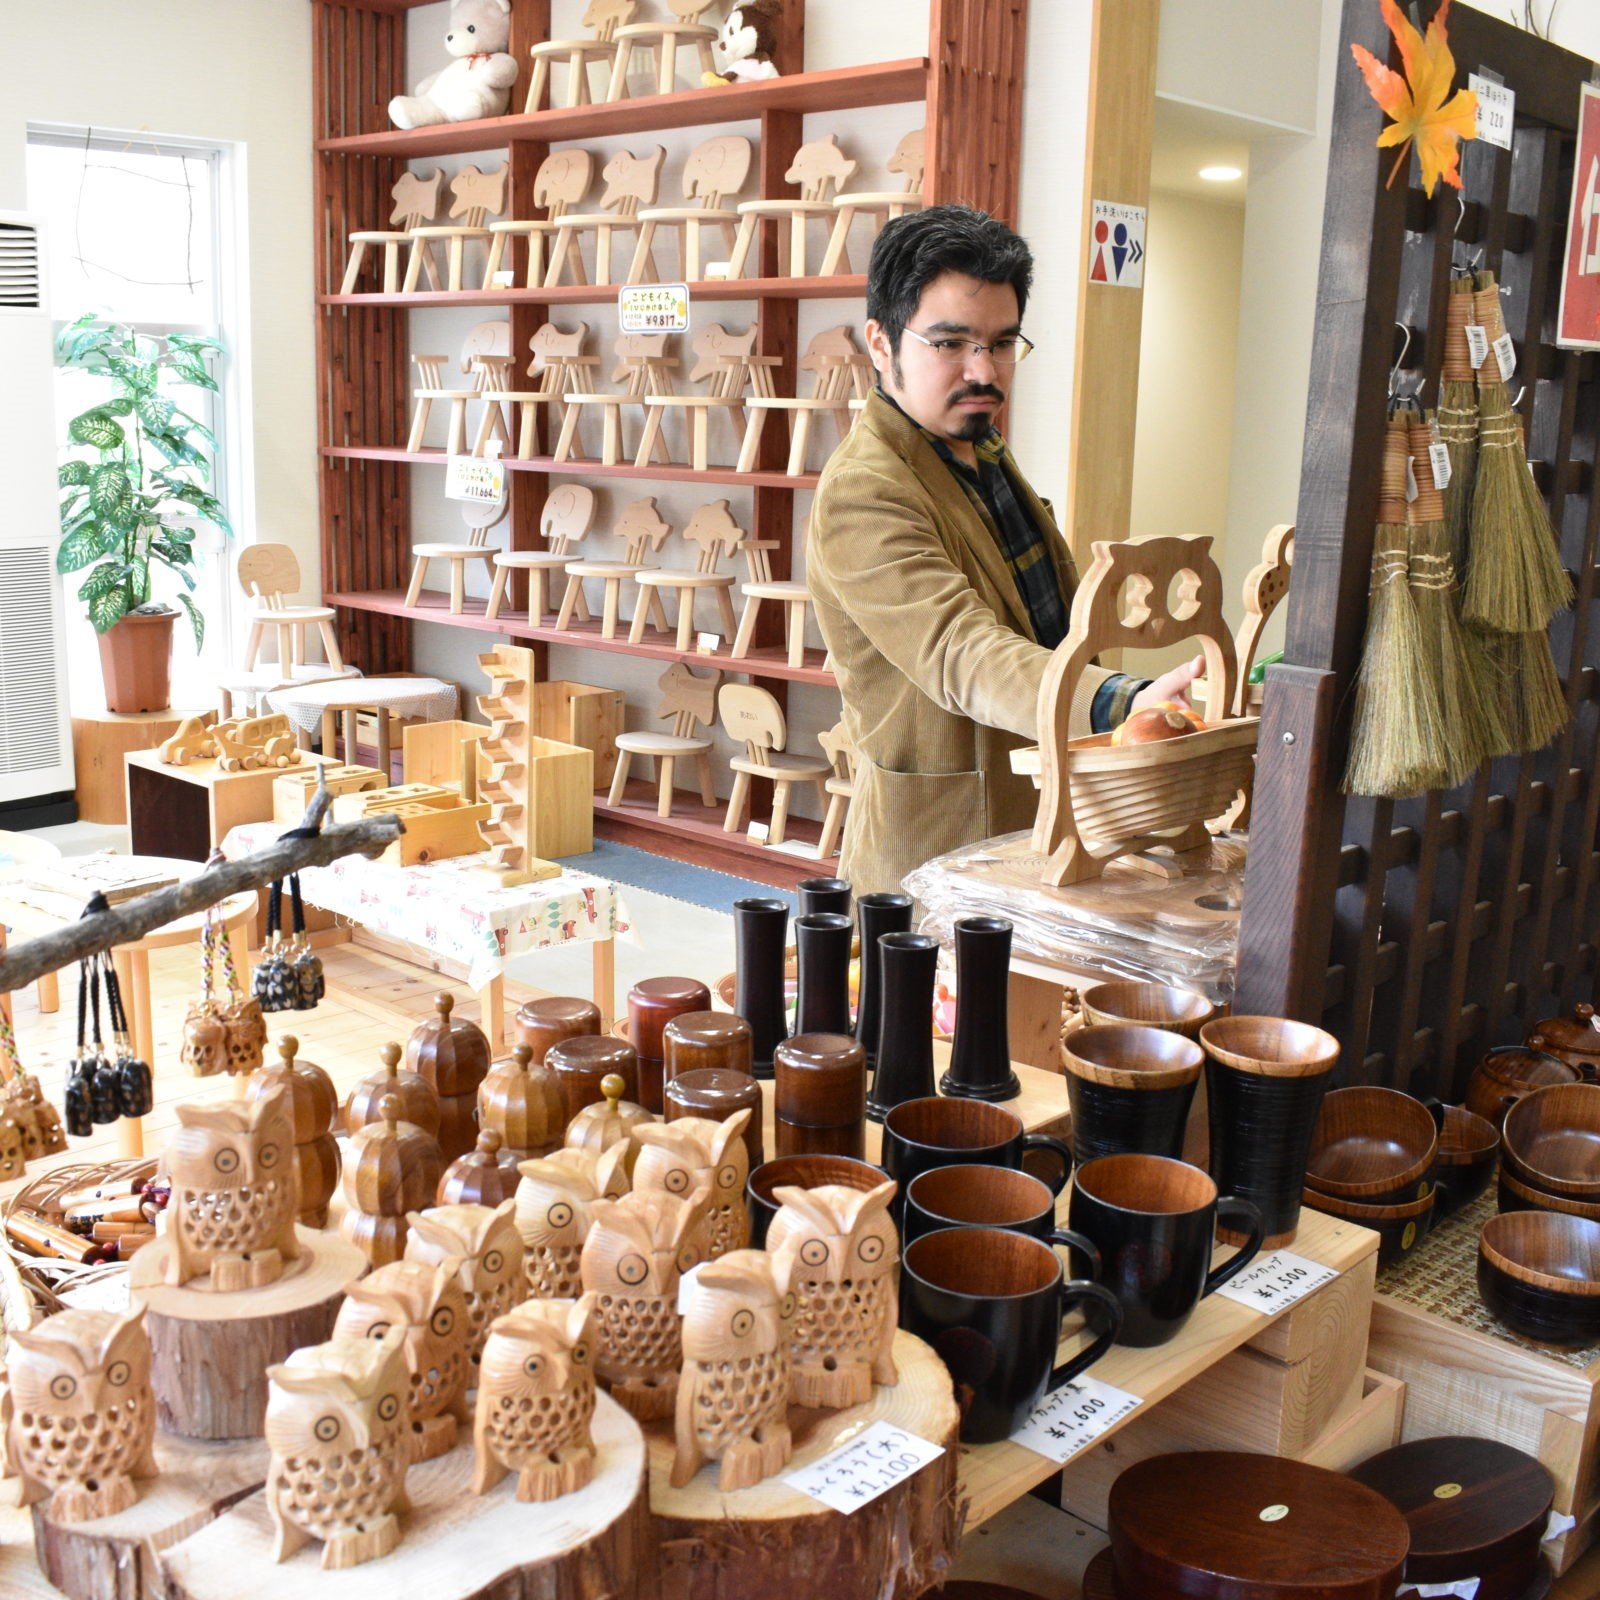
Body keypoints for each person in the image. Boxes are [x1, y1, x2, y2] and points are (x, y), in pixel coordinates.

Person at [808, 203, 1201, 897]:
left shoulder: (982, 448)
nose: (983, 370)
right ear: (880, 342)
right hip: (941, 847)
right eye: (950, 343)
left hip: (1041, 818)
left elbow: (1039, 623)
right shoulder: (863, 491)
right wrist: (1122, 703)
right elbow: (962, 651)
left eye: (1002, 342)